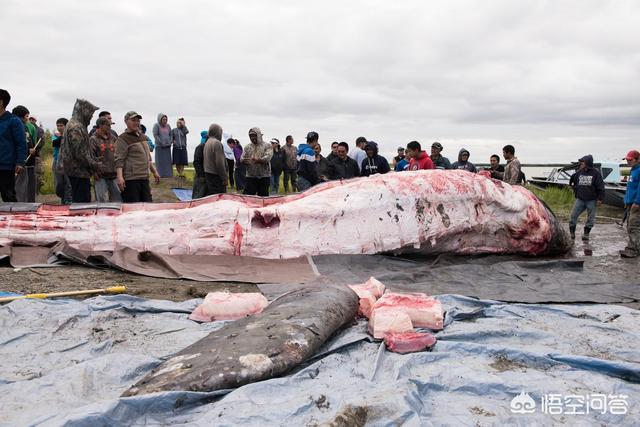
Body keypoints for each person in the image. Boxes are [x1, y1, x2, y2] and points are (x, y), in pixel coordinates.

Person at [60, 99, 101, 203]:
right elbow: (80, 154)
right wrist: (94, 164)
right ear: (84, 111)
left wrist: (93, 158)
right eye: (90, 113)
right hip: (78, 173)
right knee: (82, 205)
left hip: (76, 172)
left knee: (79, 202)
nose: (92, 116)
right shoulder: (76, 127)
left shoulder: (75, 124)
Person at [115, 111, 160, 203]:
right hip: (131, 180)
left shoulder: (143, 137)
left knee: (147, 205)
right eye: (133, 120)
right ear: (126, 121)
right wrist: (120, 177)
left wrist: (154, 171)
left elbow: (148, 157)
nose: (136, 123)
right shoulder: (122, 138)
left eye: (138, 120)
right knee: (133, 209)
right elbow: (119, 160)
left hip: (144, 178)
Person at [568, 155, 605, 241]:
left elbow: (601, 187)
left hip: (591, 200)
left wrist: (600, 199)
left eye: (583, 162)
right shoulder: (579, 172)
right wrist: (571, 186)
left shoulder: (596, 173)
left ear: (588, 163)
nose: (581, 163)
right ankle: (572, 234)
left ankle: (586, 234)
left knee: (590, 219)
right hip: (580, 199)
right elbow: (573, 178)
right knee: (573, 217)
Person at [0, 89, 26, 202]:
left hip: (6, 166)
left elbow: (21, 143)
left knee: (8, 196)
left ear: (1, 102)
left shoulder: (13, 121)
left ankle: (14, 218)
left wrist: (20, 162)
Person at [90, 116, 121, 202]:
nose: (110, 127)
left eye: (110, 125)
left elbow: (119, 154)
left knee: (118, 200)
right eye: (107, 125)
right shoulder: (93, 139)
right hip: (100, 176)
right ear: (100, 125)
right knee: (101, 201)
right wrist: (94, 172)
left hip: (114, 174)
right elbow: (90, 157)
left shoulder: (113, 138)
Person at [12, 105, 38, 202]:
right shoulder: (16, 126)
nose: (28, 119)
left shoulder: (26, 127)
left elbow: (27, 141)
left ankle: (25, 206)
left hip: (27, 161)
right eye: (27, 116)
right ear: (22, 116)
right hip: (19, 161)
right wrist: (28, 151)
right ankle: (19, 209)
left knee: (26, 187)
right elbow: (17, 144)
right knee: (19, 188)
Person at [241, 127, 272, 196]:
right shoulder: (247, 147)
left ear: (259, 135)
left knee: (263, 197)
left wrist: (258, 160)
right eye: (251, 136)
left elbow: (267, 157)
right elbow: (242, 158)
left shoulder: (267, 146)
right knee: (248, 197)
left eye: (254, 135)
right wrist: (245, 161)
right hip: (251, 176)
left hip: (264, 176)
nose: (253, 137)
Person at [620, 149, 640, 258]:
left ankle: (633, 250)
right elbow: (630, 187)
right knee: (629, 225)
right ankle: (635, 247)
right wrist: (626, 201)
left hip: (636, 203)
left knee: (633, 226)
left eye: (630, 160)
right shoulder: (633, 170)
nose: (628, 162)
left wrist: (637, 202)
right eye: (627, 160)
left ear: (637, 159)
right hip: (630, 202)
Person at [203, 124, 228, 195]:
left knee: (212, 197)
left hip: (208, 174)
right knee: (220, 198)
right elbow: (220, 163)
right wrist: (224, 178)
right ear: (217, 132)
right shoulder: (217, 143)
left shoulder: (207, 142)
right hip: (216, 176)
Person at [52, 118, 72, 204]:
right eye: (58, 126)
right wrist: (63, 136)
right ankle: (62, 197)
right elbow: (55, 143)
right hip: (57, 160)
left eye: (61, 125)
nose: (59, 127)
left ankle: (68, 199)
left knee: (68, 182)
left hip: (68, 161)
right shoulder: (55, 135)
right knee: (59, 183)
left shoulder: (71, 135)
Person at [153, 113, 173, 177]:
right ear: (160, 119)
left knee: (167, 162)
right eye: (163, 119)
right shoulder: (156, 125)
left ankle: (168, 174)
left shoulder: (168, 126)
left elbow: (171, 134)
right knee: (160, 162)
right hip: (159, 147)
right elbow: (155, 135)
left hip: (167, 147)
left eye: (166, 119)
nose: (165, 121)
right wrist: (161, 143)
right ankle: (160, 174)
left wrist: (170, 142)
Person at [192, 130, 208, 198]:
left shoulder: (207, 147)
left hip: (206, 174)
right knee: (198, 194)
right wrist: (201, 175)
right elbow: (196, 162)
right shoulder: (200, 147)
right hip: (200, 175)